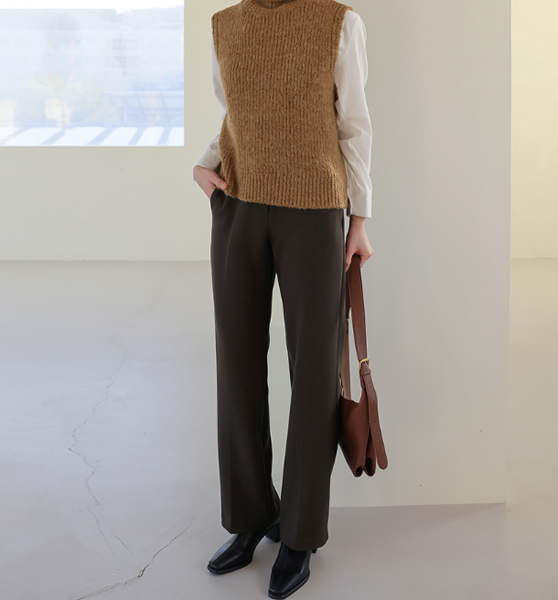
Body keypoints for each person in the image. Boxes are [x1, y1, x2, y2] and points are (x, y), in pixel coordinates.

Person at [192, 0, 373, 597]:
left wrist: (360, 219)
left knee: (315, 372)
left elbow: (353, 123)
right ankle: (250, 517)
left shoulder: (338, 22)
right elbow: (239, 114)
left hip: (315, 212)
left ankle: (299, 533)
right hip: (237, 206)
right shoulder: (225, 23)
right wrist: (205, 164)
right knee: (237, 365)